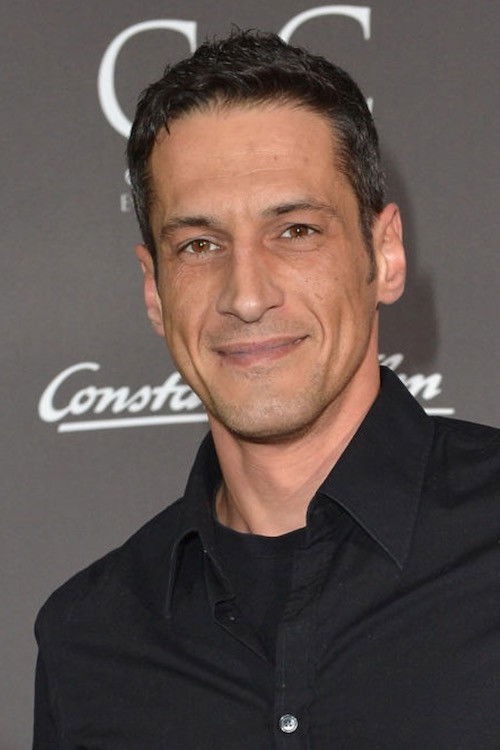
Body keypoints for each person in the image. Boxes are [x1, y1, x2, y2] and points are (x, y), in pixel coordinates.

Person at [33, 31, 500, 749]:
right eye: (199, 245)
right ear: (155, 291)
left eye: (296, 230)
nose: (246, 296)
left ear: (385, 254)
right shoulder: (89, 640)